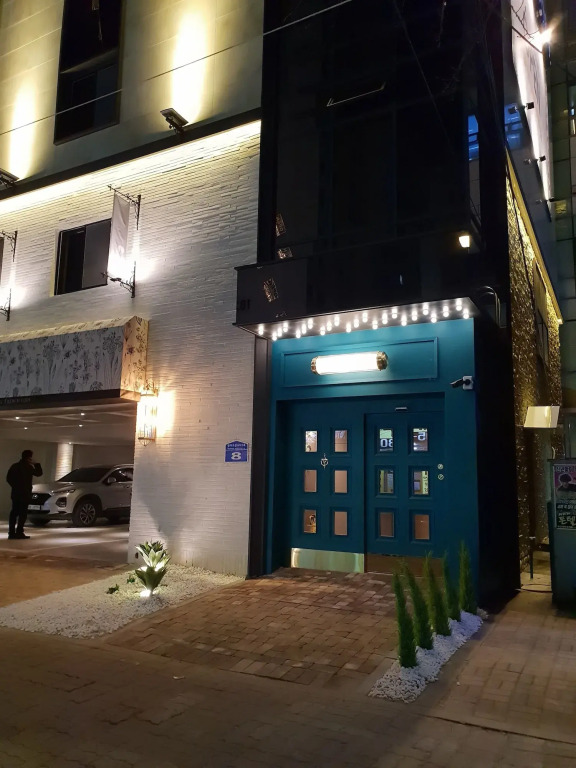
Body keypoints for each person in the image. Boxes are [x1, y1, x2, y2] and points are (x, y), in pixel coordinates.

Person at [6, 450, 43, 540]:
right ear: (29, 458)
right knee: (22, 514)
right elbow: (39, 473)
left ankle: (11, 533)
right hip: (25, 494)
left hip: (16, 494)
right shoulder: (28, 467)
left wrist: (15, 487)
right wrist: (36, 464)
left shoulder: (14, 466)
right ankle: (19, 532)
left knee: (14, 513)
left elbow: (8, 478)